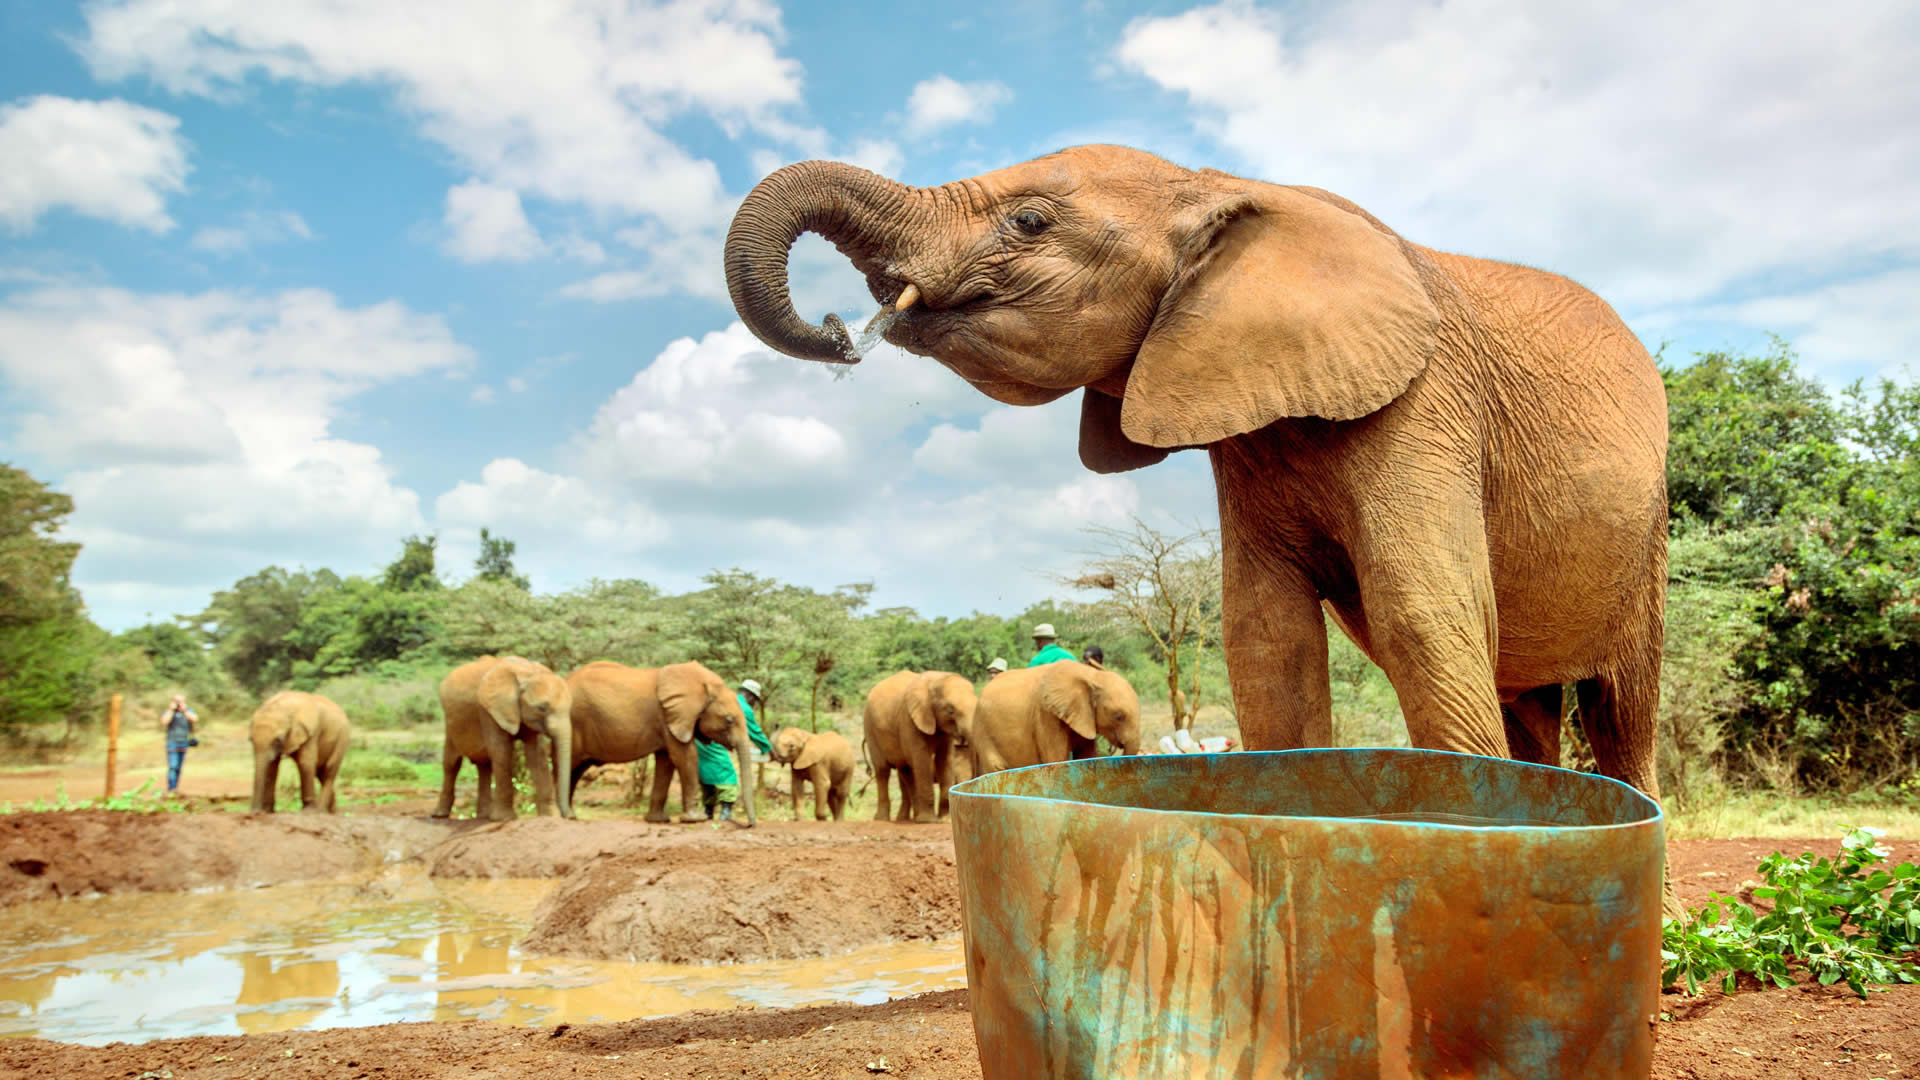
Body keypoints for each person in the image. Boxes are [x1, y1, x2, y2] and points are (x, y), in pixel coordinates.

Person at [698, 678, 774, 821]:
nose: (754, 704)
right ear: (750, 696)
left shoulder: (727, 698)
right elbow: (754, 731)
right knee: (728, 776)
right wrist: (768, 749)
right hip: (715, 741)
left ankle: (708, 811)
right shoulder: (742, 706)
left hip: (700, 741)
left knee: (707, 774)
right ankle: (725, 812)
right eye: (755, 700)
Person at [159, 694, 198, 794]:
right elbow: (164, 722)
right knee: (173, 766)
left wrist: (184, 710)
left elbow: (194, 719)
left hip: (184, 742)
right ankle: (171, 788)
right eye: (177, 701)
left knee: (179, 767)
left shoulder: (188, 711)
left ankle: (175, 788)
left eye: (180, 701)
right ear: (173, 701)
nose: (178, 704)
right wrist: (171, 710)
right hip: (172, 742)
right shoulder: (169, 712)